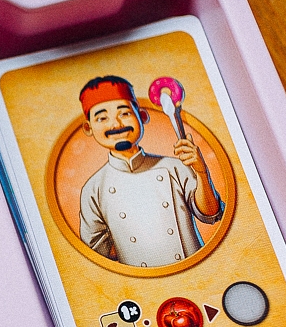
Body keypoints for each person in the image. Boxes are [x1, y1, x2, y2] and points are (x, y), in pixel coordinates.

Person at [77, 75, 223, 268]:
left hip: (196, 272)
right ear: (88, 128)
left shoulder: (175, 167)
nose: (116, 125)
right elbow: (96, 253)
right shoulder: (93, 188)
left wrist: (202, 173)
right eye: (102, 118)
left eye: (124, 113)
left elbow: (211, 214)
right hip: (142, 281)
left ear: (143, 116)